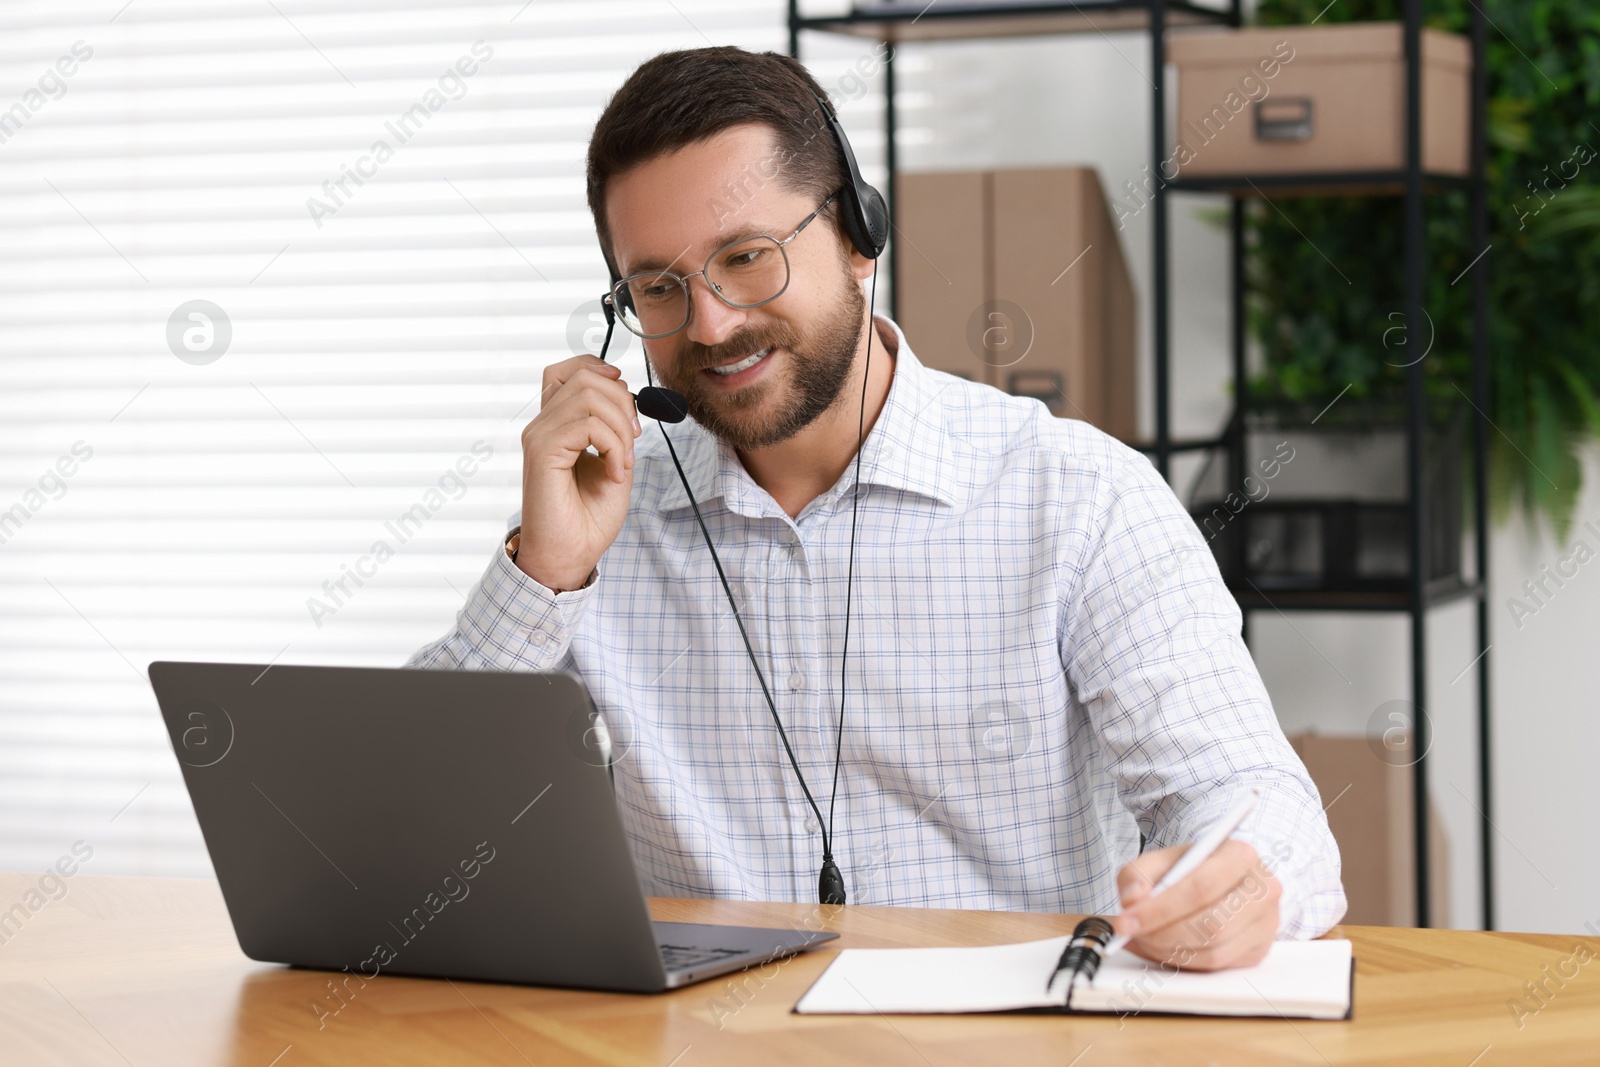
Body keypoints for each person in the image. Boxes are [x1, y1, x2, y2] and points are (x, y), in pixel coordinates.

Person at [407, 45, 1345, 971]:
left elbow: (1242, 789)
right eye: (659, 286)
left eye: (745, 257)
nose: (711, 323)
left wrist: (1237, 880)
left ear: (858, 237)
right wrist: (545, 571)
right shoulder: (599, 519)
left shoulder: (1076, 495)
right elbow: (400, 836)